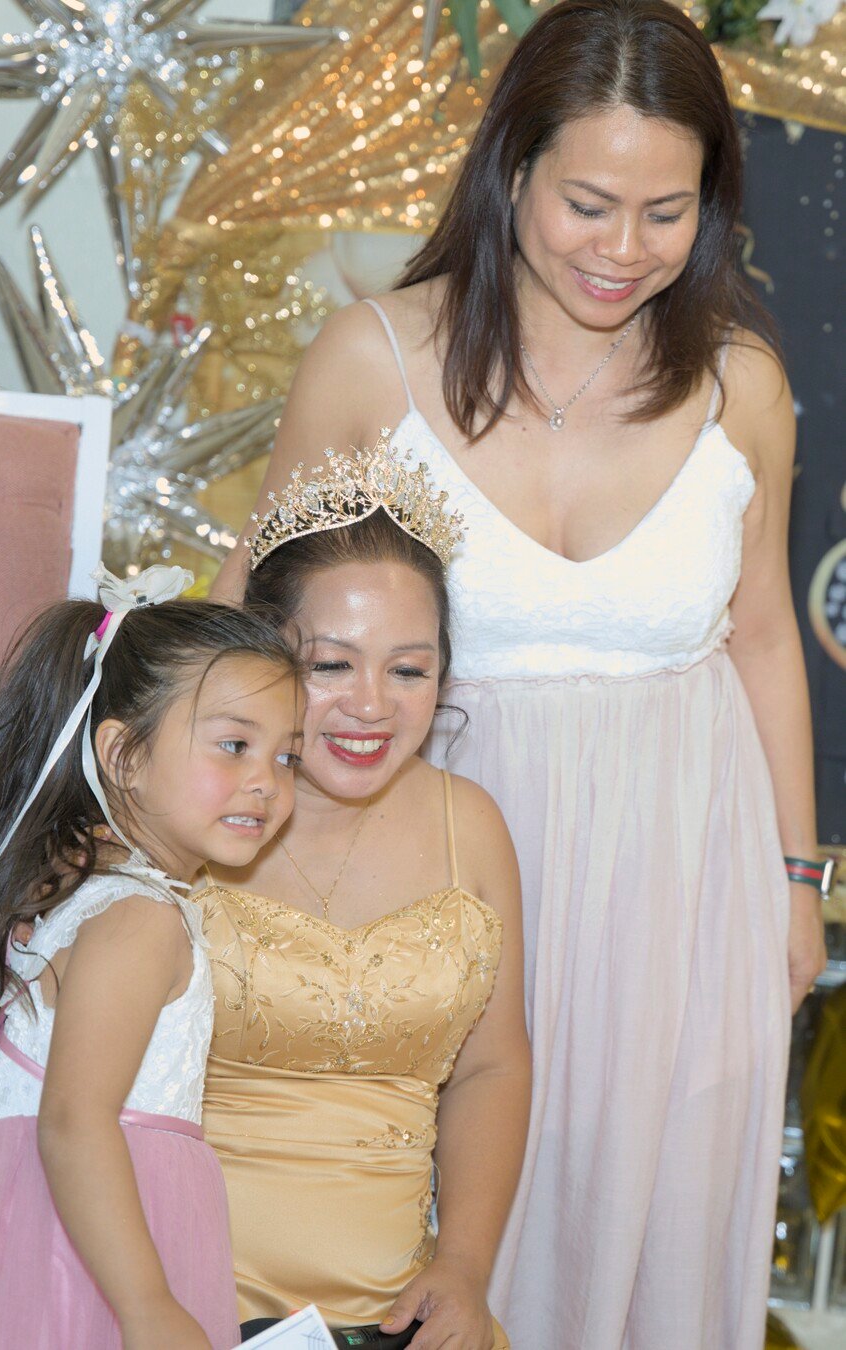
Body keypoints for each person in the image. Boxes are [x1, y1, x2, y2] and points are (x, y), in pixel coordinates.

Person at [213, 2, 829, 1345]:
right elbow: (250, 622)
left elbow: (765, 635)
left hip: (686, 887)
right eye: (588, 204)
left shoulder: (742, 386)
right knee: (442, 1254)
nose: (624, 250)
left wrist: (796, 885)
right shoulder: (375, 361)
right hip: (435, 880)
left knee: (660, 1242)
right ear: (512, 173)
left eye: (666, 213)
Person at [202, 439, 531, 1350]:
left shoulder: (474, 826)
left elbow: (493, 1067)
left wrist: (464, 1266)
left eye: (409, 670)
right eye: (332, 666)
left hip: (399, 1312)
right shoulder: (193, 820)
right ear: (264, 654)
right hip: (185, 1292)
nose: (372, 705)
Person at [0, 564, 304, 1350]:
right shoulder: (142, 919)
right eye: (235, 745)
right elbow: (75, 1121)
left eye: (287, 757)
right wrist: (146, 1306)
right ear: (123, 755)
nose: (266, 783)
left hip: (33, 1234)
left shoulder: (74, 890)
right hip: (86, 1260)